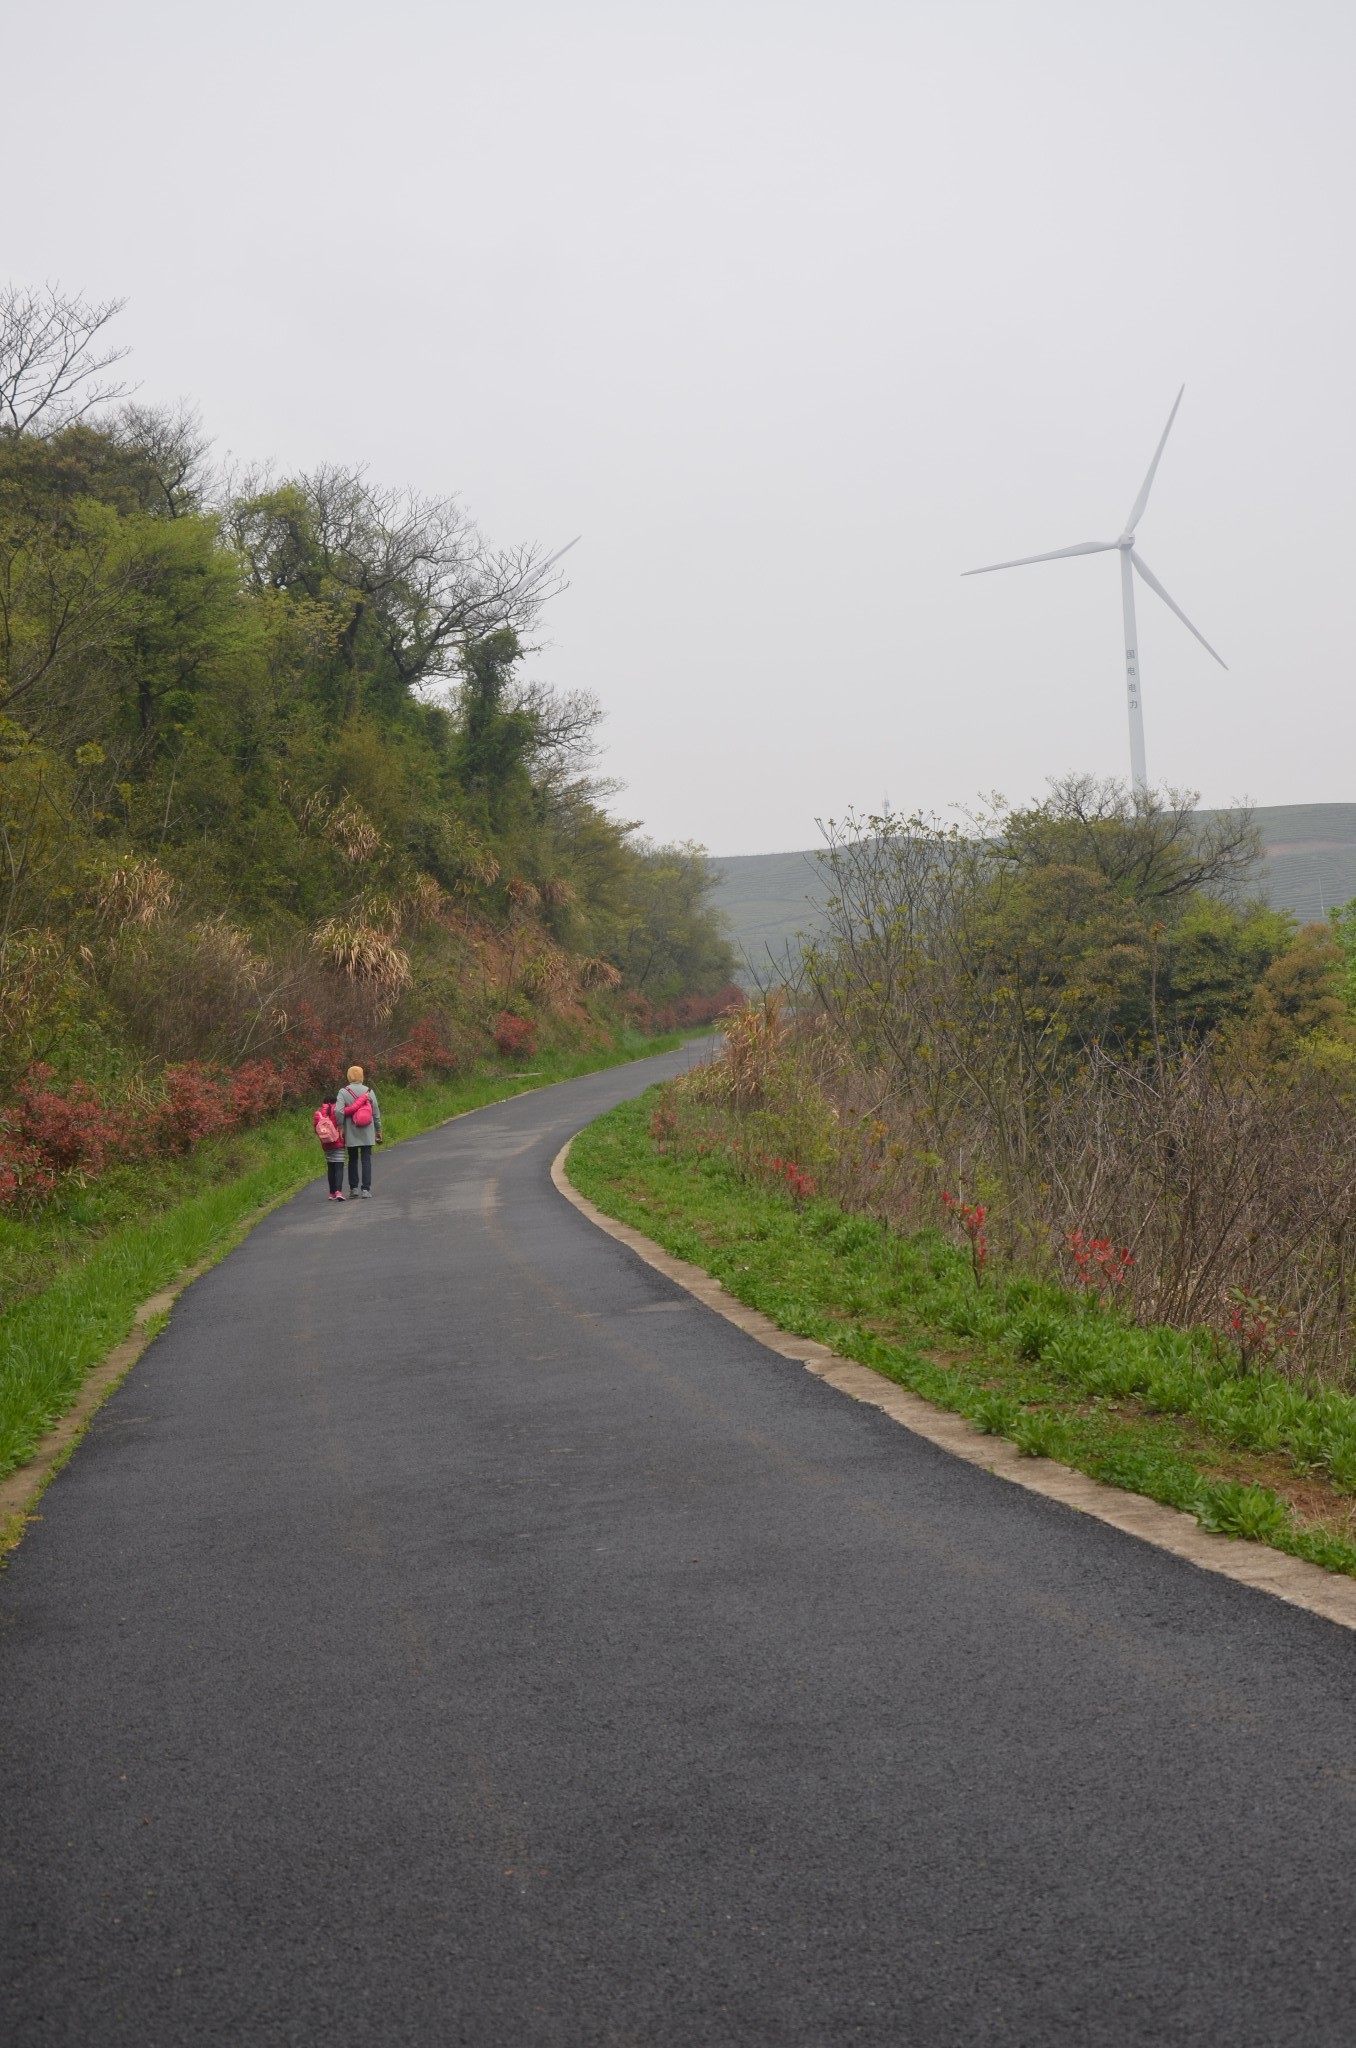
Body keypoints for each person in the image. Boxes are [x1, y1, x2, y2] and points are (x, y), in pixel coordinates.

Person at [335, 1064, 383, 1197]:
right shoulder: (369, 1091)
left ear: (349, 1076)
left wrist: (341, 1126)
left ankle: (354, 1189)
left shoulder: (343, 1092)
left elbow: (338, 1111)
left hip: (351, 1130)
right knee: (366, 1159)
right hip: (367, 1129)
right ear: (362, 1075)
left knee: (352, 1158)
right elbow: (376, 1112)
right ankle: (366, 1189)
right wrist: (378, 1129)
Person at [314, 1097, 347, 1200]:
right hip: (338, 1142)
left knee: (331, 1167)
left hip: (326, 1143)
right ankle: (338, 1191)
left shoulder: (318, 1113)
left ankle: (331, 1193)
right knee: (339, 1167)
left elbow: (316, 1129)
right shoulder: (337, 1110)